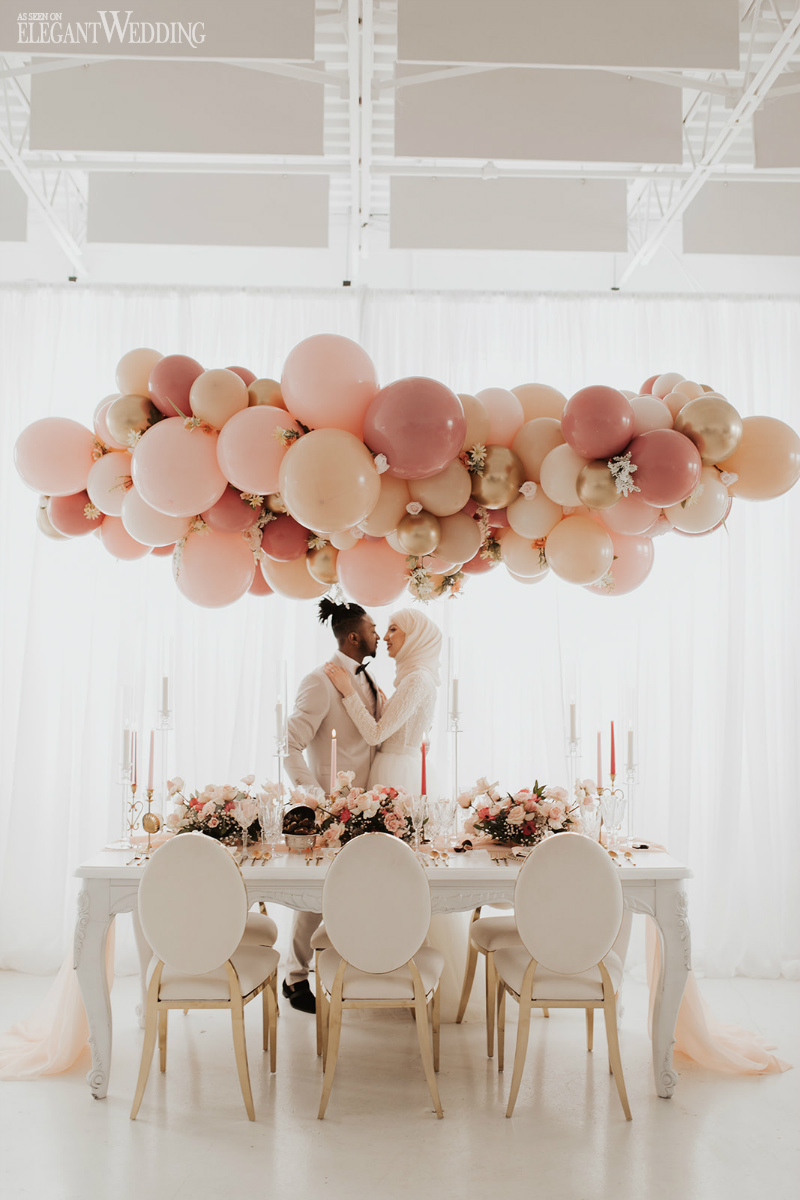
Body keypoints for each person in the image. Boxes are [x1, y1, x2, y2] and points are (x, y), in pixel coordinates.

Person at [282, 597, 380, 1012]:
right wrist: (315, 796)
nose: (379, 635)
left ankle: (348, 966)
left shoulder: (368, 680)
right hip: (332, 807)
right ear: (355, 636)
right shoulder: (319, 681)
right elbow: (288, 745)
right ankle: (294, 977)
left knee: (351, 891)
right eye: (374, 629)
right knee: (316, 896)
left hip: (366, 805)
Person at [324, 607, 441, 793]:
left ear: (414, 636)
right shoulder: (420, 677)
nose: (385, 637)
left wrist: (348, 691)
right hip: (402, 767)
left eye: (393, 629)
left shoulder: (416, 679)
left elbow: (374, 736)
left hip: (396, 773)